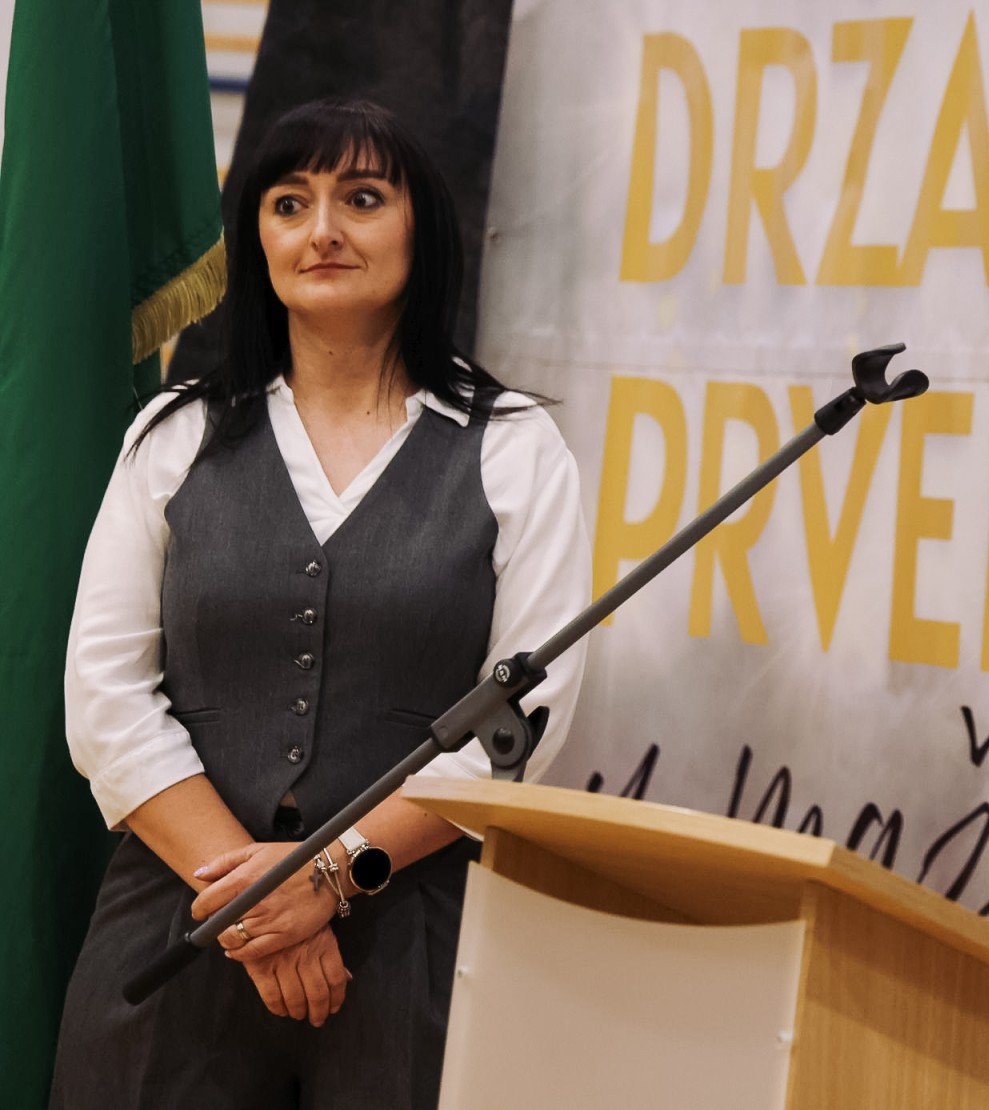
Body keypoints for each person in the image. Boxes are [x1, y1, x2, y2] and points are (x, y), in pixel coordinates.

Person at [50, 98, 590, 1109]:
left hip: (410, 949)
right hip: (176, 928)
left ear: (422, 230)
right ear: (257, 238)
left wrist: (332, 874)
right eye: (289, 203)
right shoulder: (174, 434)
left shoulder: (516, 447)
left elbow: (525, 720)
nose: (323, 230)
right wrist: (262, 898)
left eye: (363, 199)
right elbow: (105, 697)